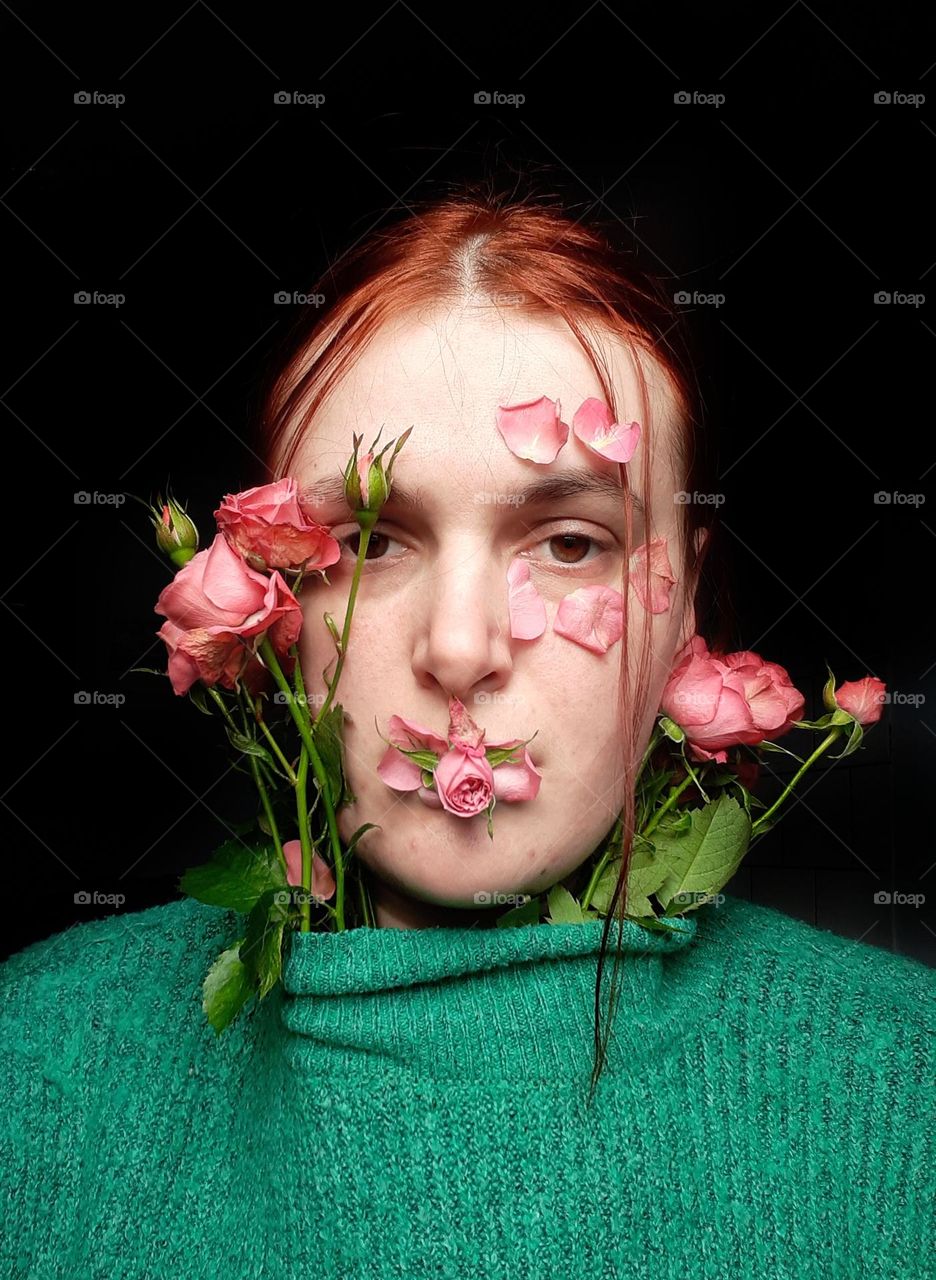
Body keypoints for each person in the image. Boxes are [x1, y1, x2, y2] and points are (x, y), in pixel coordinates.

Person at [1, 189, 932, 1279]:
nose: (459, 646)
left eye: (573, 541)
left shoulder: (903, 1090)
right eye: (377, 539)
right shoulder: (37, 1072)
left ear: (687, 599)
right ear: (263, 589)